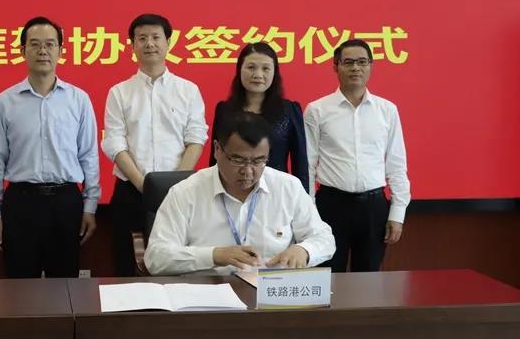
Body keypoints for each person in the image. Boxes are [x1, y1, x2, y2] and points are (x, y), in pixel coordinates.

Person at [144, 111, 334, 275]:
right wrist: (214, 255)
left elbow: (324, 238)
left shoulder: (288, 187)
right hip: (208, 294)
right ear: (217, 150)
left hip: (270, 296)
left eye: (259, 161)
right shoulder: (185, 193)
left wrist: (304, 250)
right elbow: (156, 257)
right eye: (238, 160)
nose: (248, 171)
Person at [0, 16, 100, 278]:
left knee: (65, 286)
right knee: (20, 286)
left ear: (61, 51)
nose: (43, 51)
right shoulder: (5, 102)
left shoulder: (78, 100)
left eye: (50, 44)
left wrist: (90, 206)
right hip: (21, 203)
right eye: (35, 44)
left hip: (66, 203)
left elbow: (89, 157)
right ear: (22, 51)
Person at [102, 13, 207, 275]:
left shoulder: (188, 90)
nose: (149, 43)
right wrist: (145, 186)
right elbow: (114, 142)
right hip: (131, 191)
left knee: (178, 264)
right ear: (133, 46)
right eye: (142, 38)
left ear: (168, 42)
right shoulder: (119, 92)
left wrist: (175, 183)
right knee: (127, 266)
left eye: (156, 37)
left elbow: (196, 138)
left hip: (180, 192)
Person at [304, 38, 410, 273]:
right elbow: (308, 165)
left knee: (369, 279)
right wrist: (309, 213)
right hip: (331, 205)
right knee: (328, 276)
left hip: (374, 207)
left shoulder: (387, 110)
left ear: (371, 66)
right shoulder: (317, 110)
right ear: (336, 66)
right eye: (348, 62)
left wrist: (397, 213)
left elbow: (396, 164)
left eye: (362, 62)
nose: (355, 68)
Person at [208, 42, 308, 192]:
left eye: (265, 68)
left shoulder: (290, 110)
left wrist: (303, 198)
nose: (258, 75)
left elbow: (300, 163)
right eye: (251, 67)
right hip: (232, 190)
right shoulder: (225, 110)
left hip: (276, 191)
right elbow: (215, 160)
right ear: (239, 70)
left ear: (274, 73)